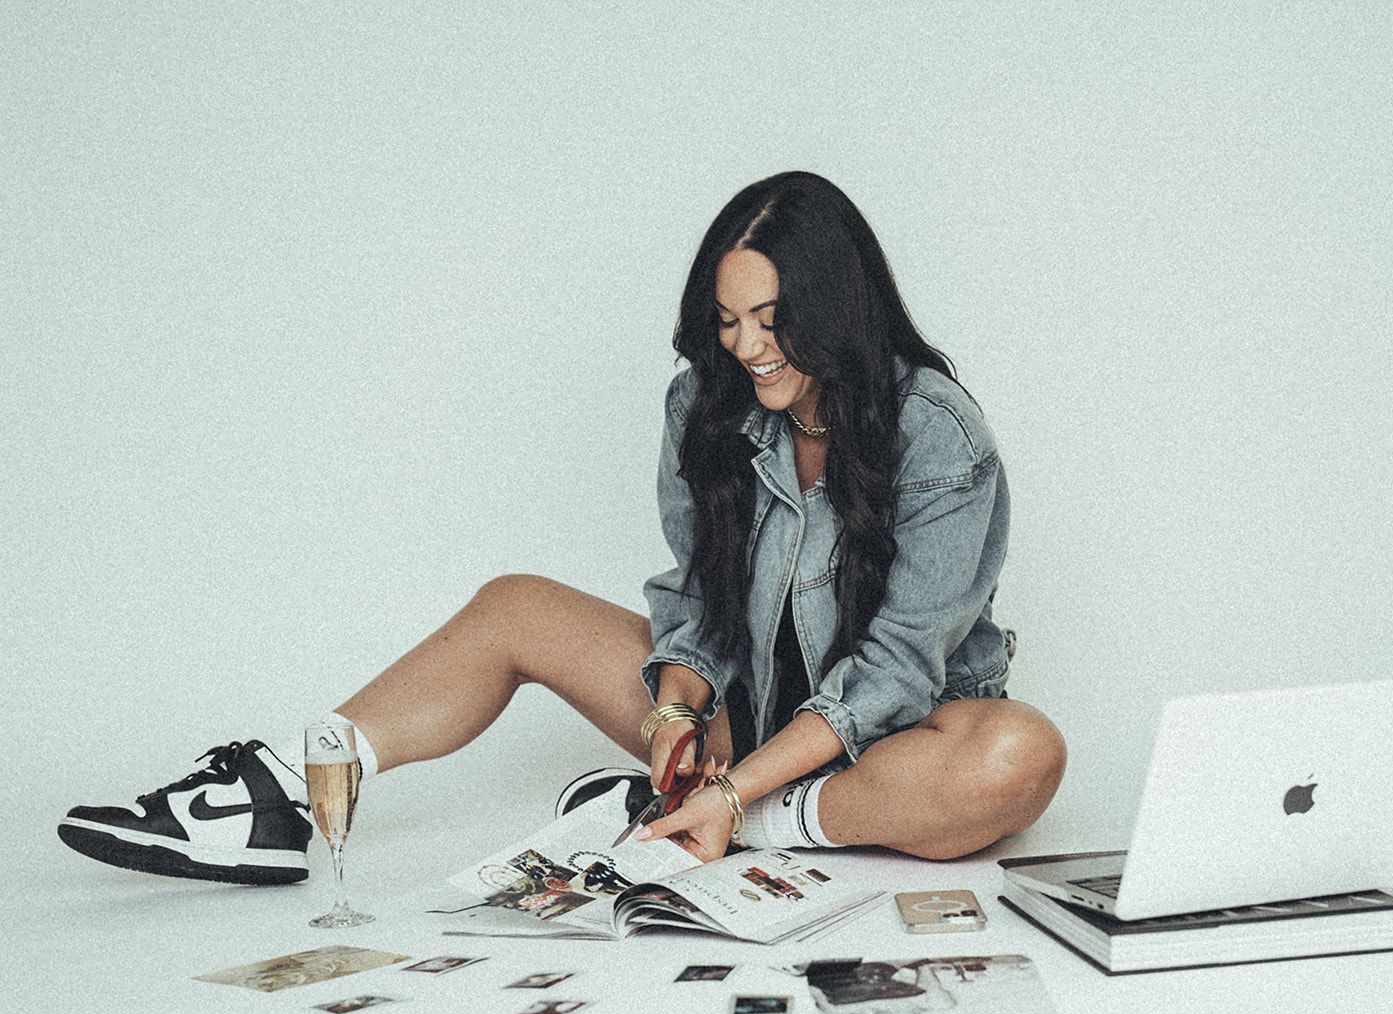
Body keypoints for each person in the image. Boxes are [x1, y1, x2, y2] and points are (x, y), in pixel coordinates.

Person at [57, 170, 1067, 885]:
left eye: (771, 320)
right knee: (515, 607)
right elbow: (700, 602)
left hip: (881, 749)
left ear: (836, 306)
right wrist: (675, 710)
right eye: (727, 320)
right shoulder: (706, 405)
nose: (747, 347)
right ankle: (281, 791)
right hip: (740, 728)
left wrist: (733, 790)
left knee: (1017, 758)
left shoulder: (937, 433)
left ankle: (736, 822)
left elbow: (896, 670)